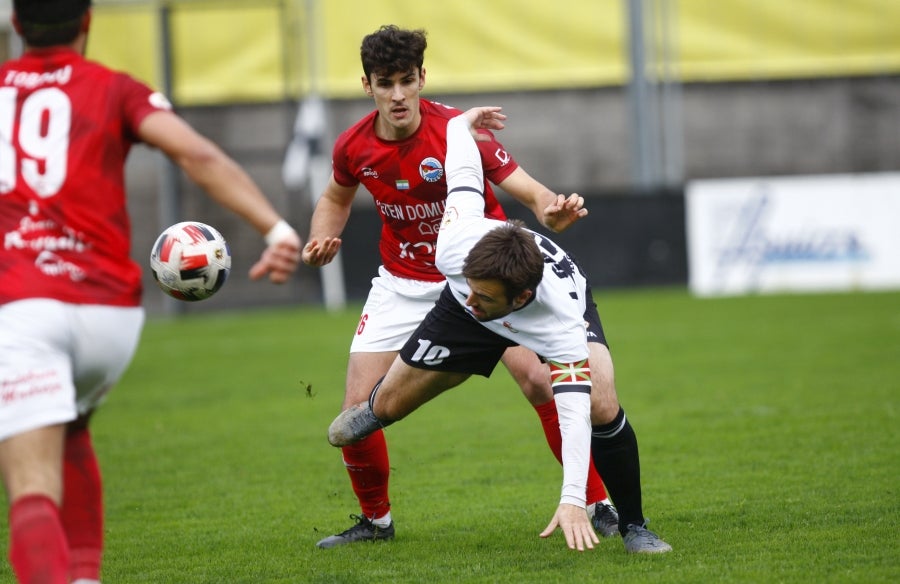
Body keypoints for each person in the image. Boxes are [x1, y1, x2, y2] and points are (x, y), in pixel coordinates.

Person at [0, 2, 302, 583]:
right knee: (71, 428)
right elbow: (197, 153)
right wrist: (277, 228)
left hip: (24, 306)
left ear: (15, 24)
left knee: (31, 484)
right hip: (109, 319)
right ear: (88, 20)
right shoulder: (115, 88)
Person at [301, 25, 618, 548]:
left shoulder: (456, 132)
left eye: (408, 80)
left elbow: (528, 190)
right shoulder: (353, 146)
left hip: (483, 283)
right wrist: (321, 237)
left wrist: (551, 209)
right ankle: (375, 522)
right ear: (367, 85)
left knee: (542, 383)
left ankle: (597, 503)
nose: (399, 95)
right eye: (386, 83)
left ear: (423, 77)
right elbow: (336, 198)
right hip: (402, 284)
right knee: (356, 410)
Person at [328, 106, 673, 554]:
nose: (475, 299)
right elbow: (464, 169)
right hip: (464, 307)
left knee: (600, 401)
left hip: (554, 304)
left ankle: (634, 526)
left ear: (521, 301)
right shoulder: (455, 245)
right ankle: (379, 410)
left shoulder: (558, 324)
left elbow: (572, 416)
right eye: (473, 289)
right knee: (383, 406)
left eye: (485, 297)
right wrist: (462, 122)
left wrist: (570, 500)